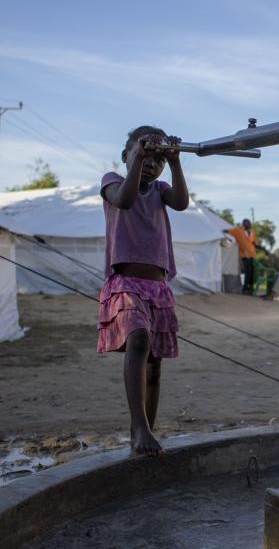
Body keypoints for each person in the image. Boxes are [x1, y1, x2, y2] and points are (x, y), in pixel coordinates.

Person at [97, 126, 189, 456]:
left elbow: (181, 202)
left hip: (157, 286)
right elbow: (125, 199)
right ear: (127, 156)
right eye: (144, 156)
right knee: (138, 338)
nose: (151, 164)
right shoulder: (112, 182)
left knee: (154, 362)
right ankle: (137, 427)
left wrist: (176, 162)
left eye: (157, 160)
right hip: (125, 282)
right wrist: (140, 153)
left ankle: (147, 427)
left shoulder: (162, 189)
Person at [225, 219, 258, 294]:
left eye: (249, 223)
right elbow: (228, 232)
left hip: (252, 254)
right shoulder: (238, 231)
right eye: (246, 223)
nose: (248, 224)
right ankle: (245, 289)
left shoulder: (252, 233)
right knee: (248, 271)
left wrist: (264, 250)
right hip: (244, 255)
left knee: (253, 272)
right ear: (243, 224)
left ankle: (251, 288)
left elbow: (254, 243)